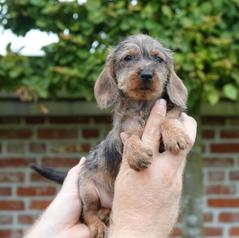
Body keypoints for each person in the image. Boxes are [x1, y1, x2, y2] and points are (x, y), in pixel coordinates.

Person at [25, 99, 197, 238]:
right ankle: (92, 215)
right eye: (128, 59)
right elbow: (127, 135)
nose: (146, 70)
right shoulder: (126, 110)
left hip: (124, 200)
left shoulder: (171, 107)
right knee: (87, 177)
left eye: (158, 59)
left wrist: (170, 124)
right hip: (100, 182)